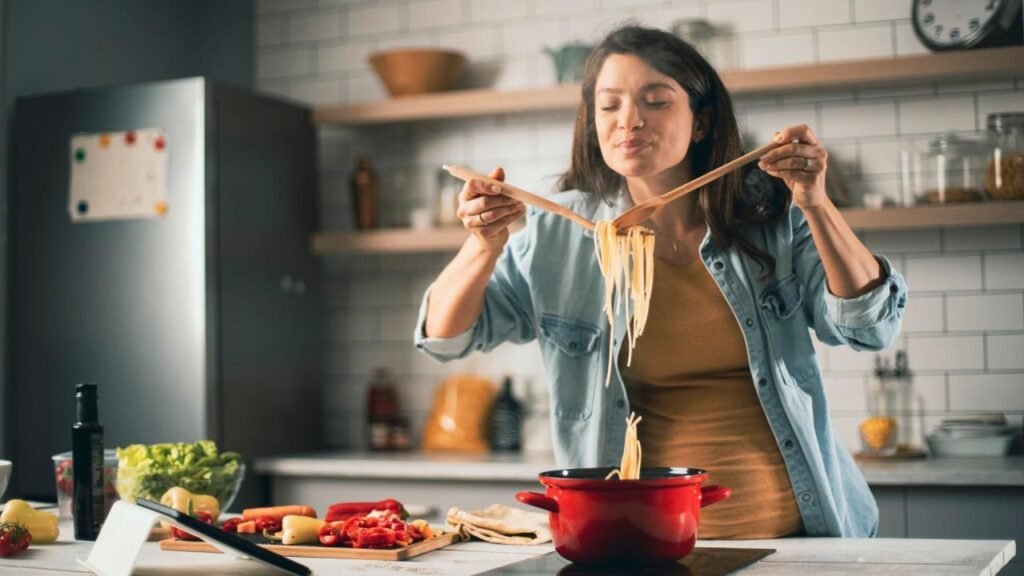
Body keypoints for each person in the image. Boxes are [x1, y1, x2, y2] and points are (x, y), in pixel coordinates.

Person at [414, 24, 906, 539]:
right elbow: (447, 339)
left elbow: (868, 328)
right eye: (610, 105)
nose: (629, 120)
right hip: (637, 540)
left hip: (803, 535)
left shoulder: (770, 214)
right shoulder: (559, 231)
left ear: (701, 122)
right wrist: (482, 245)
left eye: (656, 101)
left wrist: (815, 202)